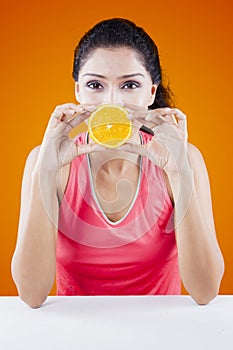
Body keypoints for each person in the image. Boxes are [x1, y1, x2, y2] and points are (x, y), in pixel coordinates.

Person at [11, 18, 224, 308]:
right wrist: (45, 172)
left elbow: (206, 291)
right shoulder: (47, 162)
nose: (112, 102)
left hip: (161, 332)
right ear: (77, 91)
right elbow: (31, 295)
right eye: (95, 85)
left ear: (151, 93)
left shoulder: (185, 160)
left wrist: (179, 172)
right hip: (76, 332)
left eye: (130, 85)